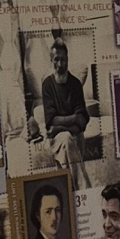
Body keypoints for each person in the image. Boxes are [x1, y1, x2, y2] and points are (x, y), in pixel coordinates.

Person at [39, 34, 88, 163]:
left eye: (63, 59)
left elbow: (82, 120)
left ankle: (73, 175)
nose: (60, 64)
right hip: (57, 138)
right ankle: (80, 176)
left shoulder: (76, 84)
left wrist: (59, 127)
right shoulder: (47, 85)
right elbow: (51, 120)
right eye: (56, 59)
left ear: (67, 59)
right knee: (66, 138)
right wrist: (74, 118)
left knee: (69, 139)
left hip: (74, 134)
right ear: (51, 60)